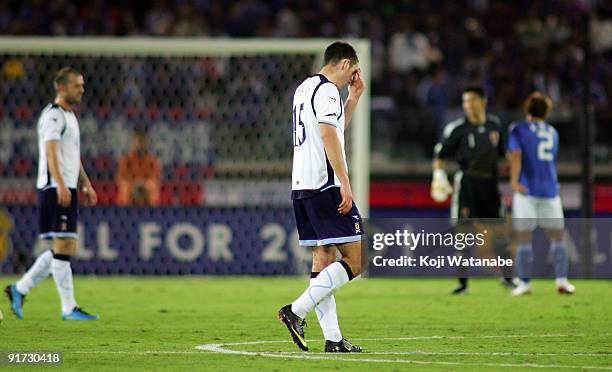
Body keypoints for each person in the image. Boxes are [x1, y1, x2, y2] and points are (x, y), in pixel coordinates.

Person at [278, 41, 365, 353]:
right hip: (324, 185)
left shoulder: (303, 89)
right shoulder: (328, 90)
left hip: (302, 185)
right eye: (353, 72)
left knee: (324, 257)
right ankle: (296, 311)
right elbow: (329, 136)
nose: (352, 78)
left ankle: (334, 339)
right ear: (343, 64)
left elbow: (332, 130)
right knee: (355, 259)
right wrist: (344, 182)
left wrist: (353, 99)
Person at [5, 67, 99, 320]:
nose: (82, 89)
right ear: (62, 88)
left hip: (67, 186)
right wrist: (59, 184)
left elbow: (72, 156)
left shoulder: (70, 117)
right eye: (77, 85)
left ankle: (19, 288)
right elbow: (50, 152)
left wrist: (85, 183)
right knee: (64, 246)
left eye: (82, 84)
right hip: (54, 188)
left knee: (64, 247)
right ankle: (68, 308)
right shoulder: (53, 116)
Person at [431, 86, 514, 294]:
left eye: (471, 101)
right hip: (467, 185)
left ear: (483, 102)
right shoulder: (458, 128)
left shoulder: (495, 126)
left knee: (501, 234)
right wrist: (439, 176)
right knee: (464, 235)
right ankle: (462, 284)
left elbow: (506, 153)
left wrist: (513, 171)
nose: (467, 105)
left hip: (490, 185)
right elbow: (440, 155)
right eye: (465, 102)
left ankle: (509, 278)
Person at [507, 92, 575, 296]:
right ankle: (562, 281)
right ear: (547, 112)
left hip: (527, 190)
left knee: (524, 238)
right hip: (550, 190)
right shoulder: (553, 132)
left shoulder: (518, 129)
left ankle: (525, 284)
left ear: (527, 109)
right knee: (557, 237)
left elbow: (516, 155)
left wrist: (514, 181)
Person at [116, 130, 161, 206]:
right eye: (138, 141)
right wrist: (135, 184)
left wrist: (144, 185)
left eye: (142, 142)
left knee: (153, 188)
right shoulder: (126, 160)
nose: (140, 145)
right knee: (124, 188)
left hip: (146, 188)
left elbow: (155, 178)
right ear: (133, 142)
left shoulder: (152, 161)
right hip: (131, 186)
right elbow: (122, 178)